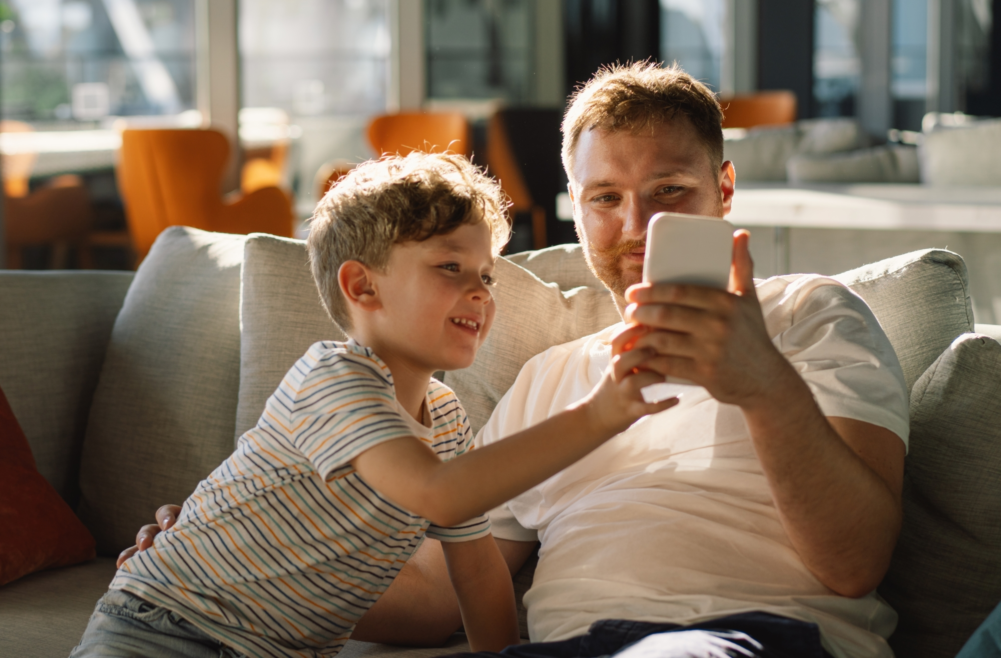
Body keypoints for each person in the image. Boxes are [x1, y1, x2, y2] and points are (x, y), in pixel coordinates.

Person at [125, 63, 909, 658]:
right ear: (574, 204)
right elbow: (443, 589)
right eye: (603, 197)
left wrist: (759, 381)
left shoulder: (810, 313)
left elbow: (853, 563)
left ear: (723, 188)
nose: (634, 225)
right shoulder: (553, 377)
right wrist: (234, 564)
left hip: (734, 638)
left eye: (667, 190)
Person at [73, 152, 676, 658]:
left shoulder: (443, 421)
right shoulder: (332, 379)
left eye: (486, 275)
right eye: (449, 266)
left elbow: (477, 569)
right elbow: (439, 492)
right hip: (168, 628)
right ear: (362, 286)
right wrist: (599, 413)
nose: (479, 292)